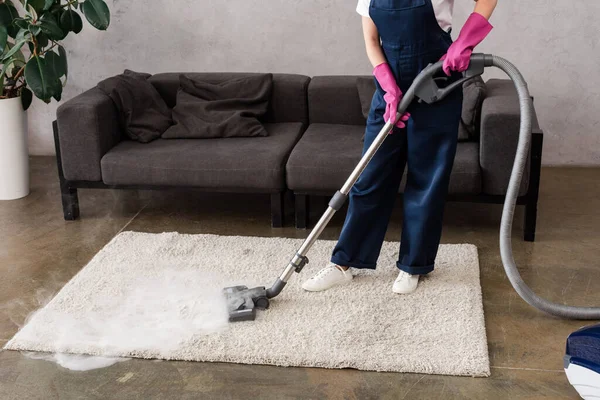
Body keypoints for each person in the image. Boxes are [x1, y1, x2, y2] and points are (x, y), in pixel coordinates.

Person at [302, 0, 497, 294]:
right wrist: (387, 83)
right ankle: (344, 263)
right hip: (390, 90)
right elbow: (371, 40)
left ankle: (412, 266)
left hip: (436, 83)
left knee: (427, 180)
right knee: (369, 178)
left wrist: (465, 41)